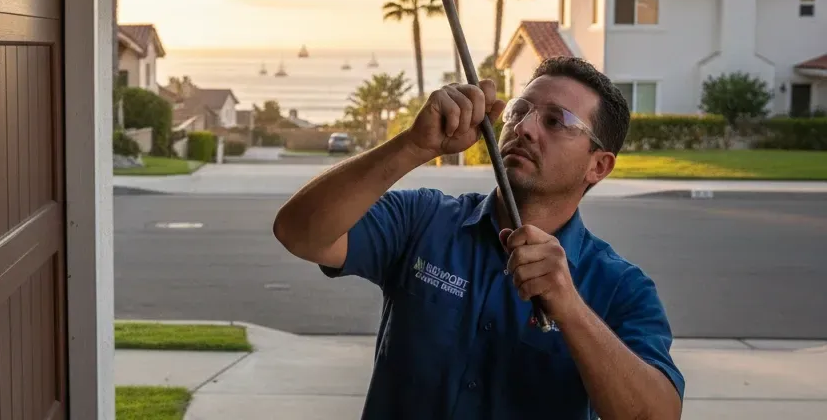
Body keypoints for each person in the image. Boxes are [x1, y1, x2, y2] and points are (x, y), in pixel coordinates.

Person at [272, 56, 685, 419]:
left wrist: (572, 310)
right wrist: (414, 146)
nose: (524, 128)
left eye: (555, 121)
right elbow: (299, 233)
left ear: (598, 166)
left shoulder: (622, 289)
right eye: (519, 111)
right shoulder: (424, 220)